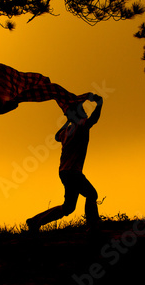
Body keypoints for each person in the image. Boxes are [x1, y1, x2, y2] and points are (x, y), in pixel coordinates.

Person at [26, 93, 103, 233]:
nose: (85, 113)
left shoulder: (66, 132)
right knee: (92, 194)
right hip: (73, 172)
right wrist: (99, 104)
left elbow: (56, 136)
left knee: (68, 207)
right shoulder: (81, 127)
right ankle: (93, 226)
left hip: (64, 172)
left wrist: (69, 120)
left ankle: (35, 221)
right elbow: (95, 118)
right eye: (83, 111)